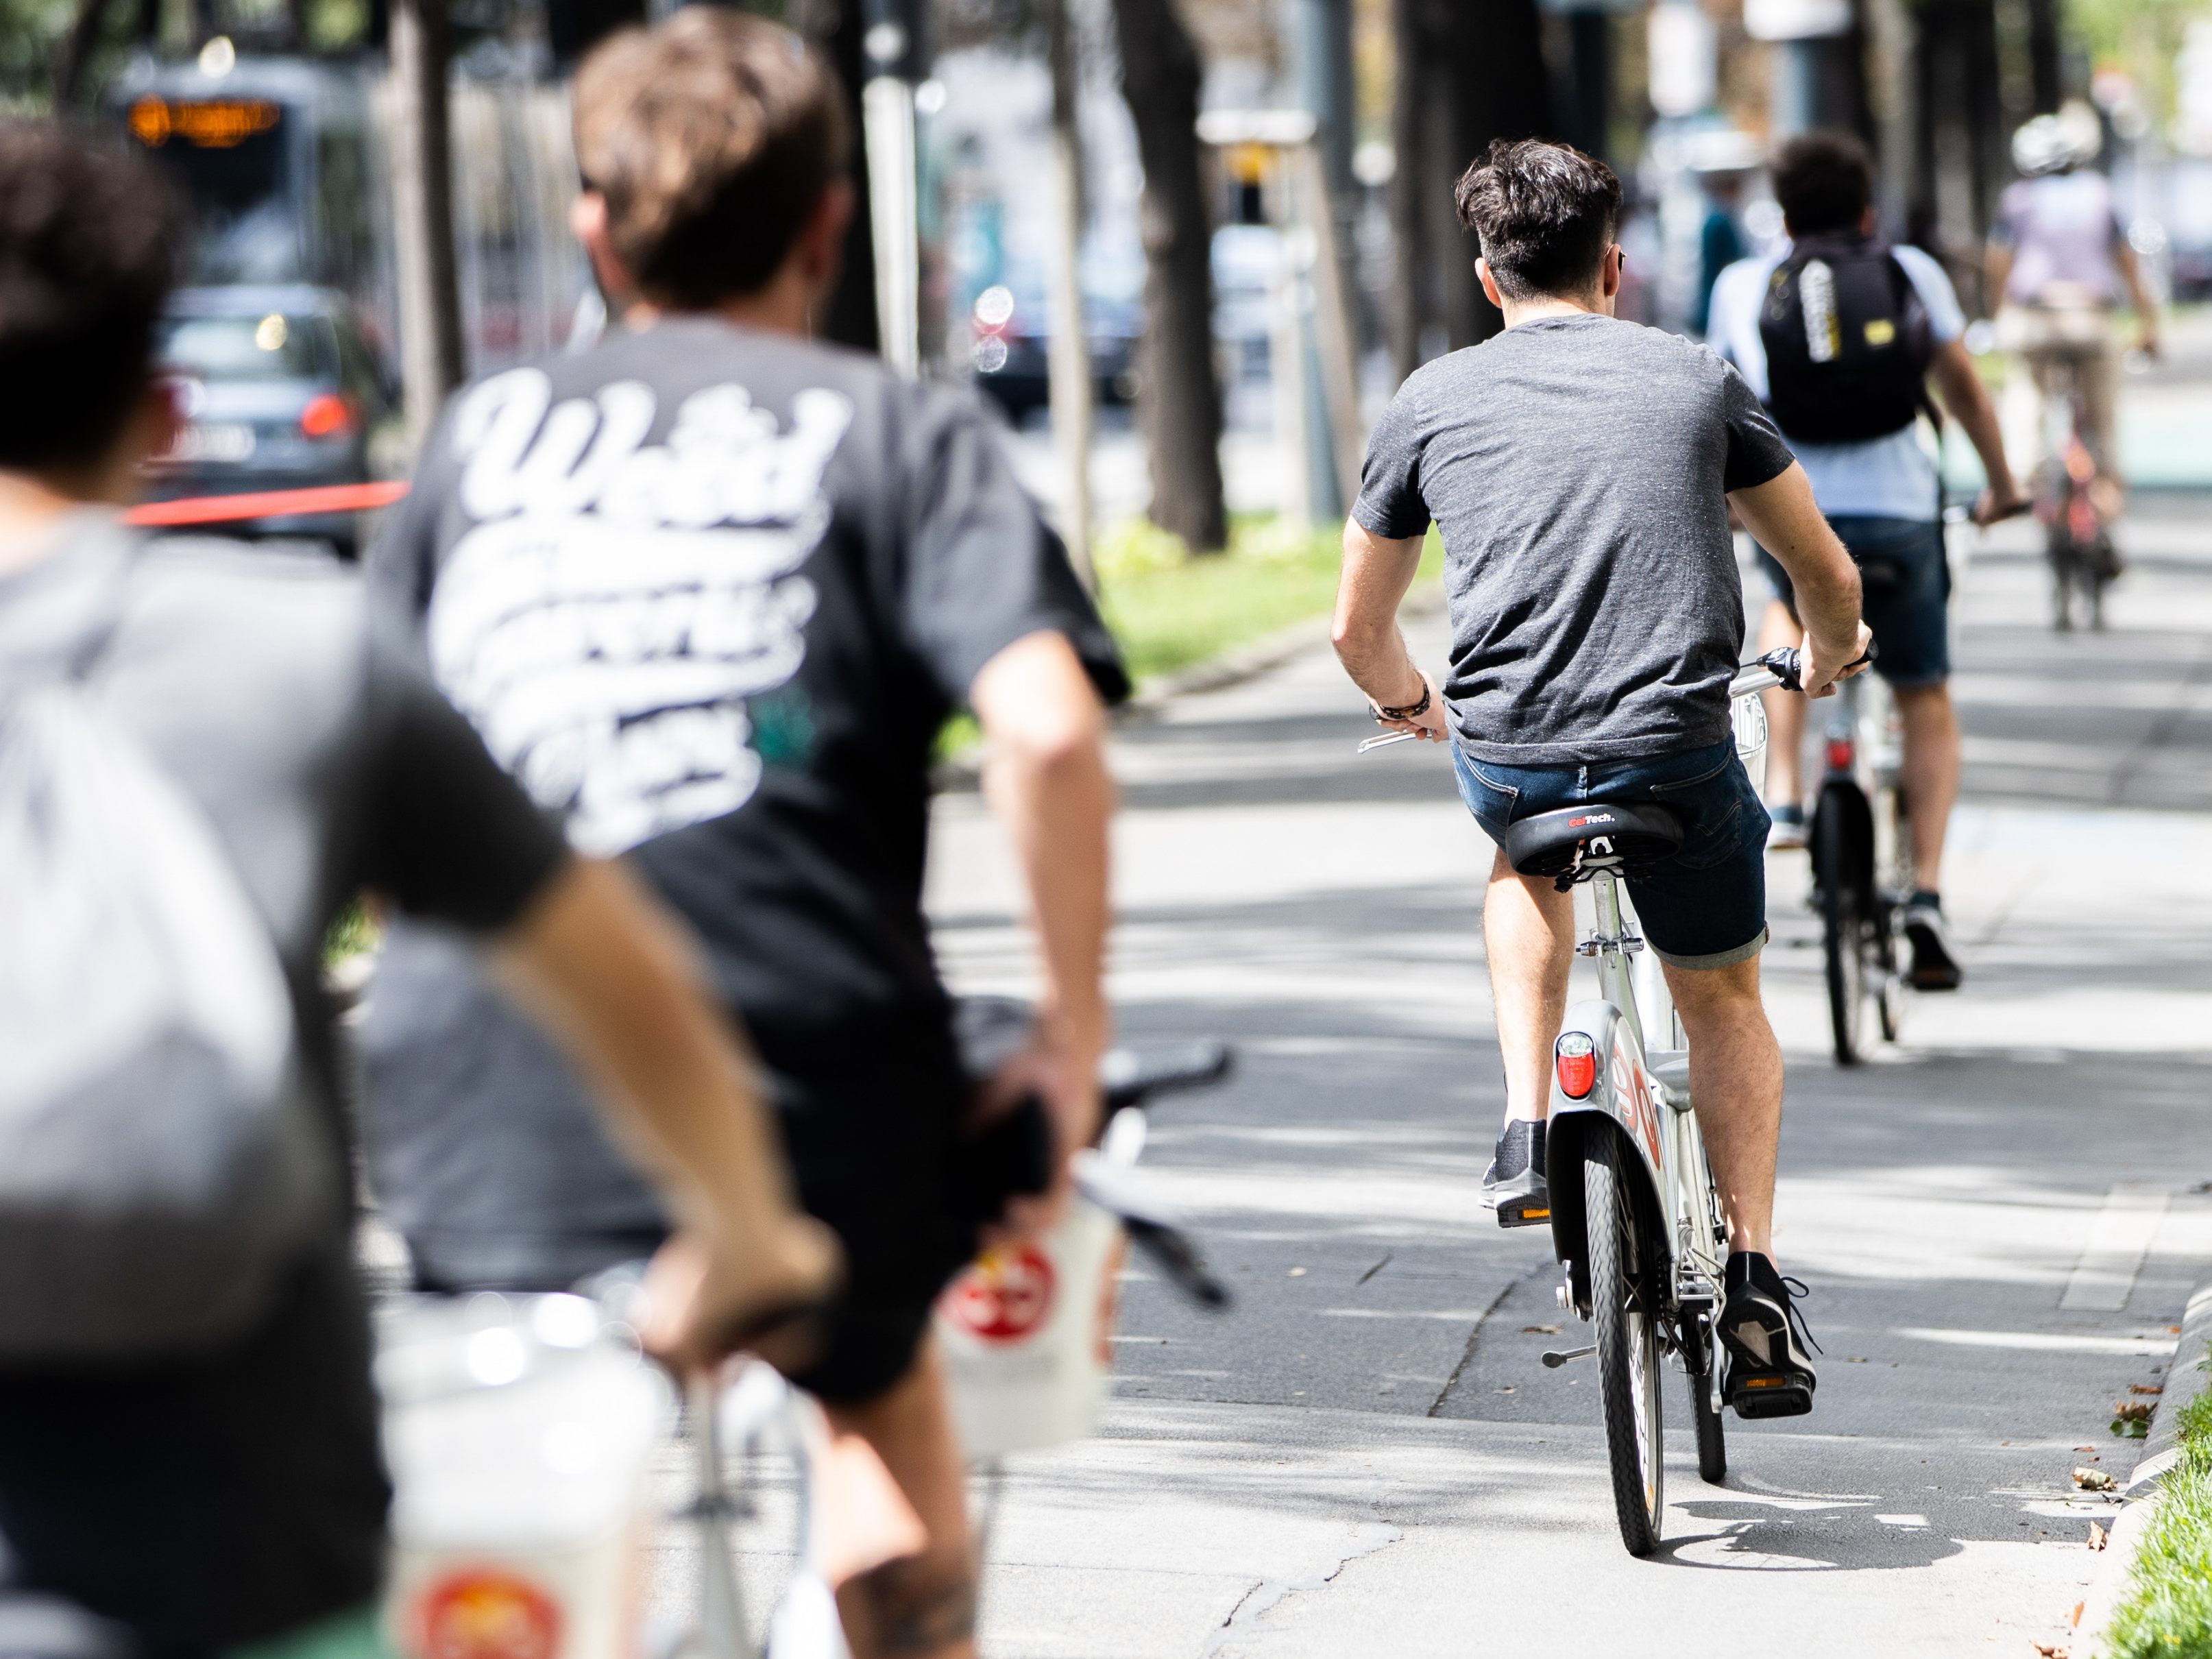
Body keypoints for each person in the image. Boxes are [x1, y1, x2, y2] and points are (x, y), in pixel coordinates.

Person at [0, 121, 836, 1656]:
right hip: (240, 1537)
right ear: (160, 411)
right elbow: (624, 986)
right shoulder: (297, 661)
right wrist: (749, 1234)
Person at [359, 14, 1125, 1657]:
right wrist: (1067, 1036)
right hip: (805, 1058)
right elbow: (1049, 730)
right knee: (879, 1385)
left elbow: (366, 767)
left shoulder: (478, 442)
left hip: (477, 1064)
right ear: (827, 224)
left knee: (505, 1496)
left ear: (595, 228)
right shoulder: (899, 433)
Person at [1333, 138, 1869, 1417]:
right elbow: (1826, 580)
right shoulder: (1696, 380)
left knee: (1517, 854)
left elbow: (1356, 633)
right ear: (1614, 266)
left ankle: (1527, 1120)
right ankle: (1750, 1272)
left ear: (1485, 277)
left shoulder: (1427, 402)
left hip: (1511, 747)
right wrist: (1828, 657)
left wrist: (1413, 706)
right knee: (1726, 1003)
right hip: (1677, 752)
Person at [1707, 131, 2024, 991]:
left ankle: (1787, 794)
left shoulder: (1744, 284)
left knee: (1790, 609)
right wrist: (1999, 485)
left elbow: (1721, 411)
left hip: (1793, 509)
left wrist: (1729, 511)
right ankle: (1922, 892)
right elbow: (1961, 387)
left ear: (1781, 212)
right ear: (1864, 209)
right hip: (1897, 513)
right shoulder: (1908, 269)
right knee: (1923, 692)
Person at [1989, 101, 2159, 495]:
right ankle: (2108, 489)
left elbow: (1998, 265)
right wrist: (2149, 323)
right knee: (2104, 414)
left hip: (2037, 316)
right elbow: (2129, 266)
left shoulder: (2016, 201)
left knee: (2026, 394)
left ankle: (2024, 477)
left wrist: (1999, 313)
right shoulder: (2102, 195)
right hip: (2092, 317)